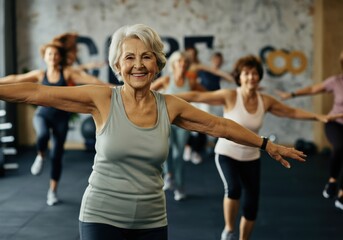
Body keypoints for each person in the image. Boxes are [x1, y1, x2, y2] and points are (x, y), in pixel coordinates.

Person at [0, 24, 307, 240]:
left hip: (152, 221)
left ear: (157, 64)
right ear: (118, 65)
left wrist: (266, 144)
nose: (138, 64)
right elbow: (35, 93)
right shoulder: (102, 99)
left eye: (146, 56)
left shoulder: (170, 105)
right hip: (101, 217)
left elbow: (220, 126)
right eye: (129, 57)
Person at [174, 55, 343, 240]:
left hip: (251, 157)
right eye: (246, 73)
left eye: (254, 73)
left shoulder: (265, 101)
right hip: (226, 153)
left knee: (252, 206)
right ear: (239, 76)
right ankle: (229, 231)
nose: (251, 77)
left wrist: (317, 117)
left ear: (259, 77)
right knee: (234, 189)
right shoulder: (230, 95)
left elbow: (290, 111)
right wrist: (165, 97)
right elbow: (197, 96)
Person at [0, 38, 108, 206]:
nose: (53, 56)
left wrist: (114, 88)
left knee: (57, 156)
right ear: (45, 57)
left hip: (61, 118)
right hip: (42, 115)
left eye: (56, 54)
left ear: (59, 57)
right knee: (42, 135)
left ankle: (52, 191)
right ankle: (41, 155)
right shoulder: (40, 74)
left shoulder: (67, 73)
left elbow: (91, 81)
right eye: (50, 53)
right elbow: (17, 78)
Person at [277, 50, 343, 212]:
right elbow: (314, 89)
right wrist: (291, 94)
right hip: (334, 123)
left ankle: (342, 195)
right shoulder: (336, 81)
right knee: (340, 147)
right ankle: (333, 181)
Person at [151, 50, 205, 201]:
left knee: (179, 154)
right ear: (173, 64)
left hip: (184, 123)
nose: (182, 64)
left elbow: (207, 95)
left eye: (184, 62)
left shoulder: (191, 82)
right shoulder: (167, 80)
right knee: (166, 149)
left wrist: (228, 97)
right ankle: (168, 176)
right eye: (179, 61)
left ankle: (180, 187)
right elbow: (147, 91)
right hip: (166, 120)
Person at [183, 47, 233, 164]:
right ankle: (188, 147)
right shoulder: (181, 65)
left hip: (203, 99)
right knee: (187, 126)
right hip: (189, 98)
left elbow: (216, 72)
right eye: (188, 54)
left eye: (193, 54)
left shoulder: (199, 66)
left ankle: (195, 150)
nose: (190, 56)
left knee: (202, 124)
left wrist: (230, 77)